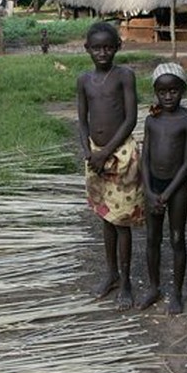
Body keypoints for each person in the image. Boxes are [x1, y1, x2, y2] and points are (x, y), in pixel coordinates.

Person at [76, 22, 144, 310]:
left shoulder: (124, 76)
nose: (102, 52)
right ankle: (111, 274)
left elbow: (130, 118)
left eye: (108, 46)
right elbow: (82, 120)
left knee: (122, 222)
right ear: (87, 49)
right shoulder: (83, 80)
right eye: (96, 47)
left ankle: (126, 280)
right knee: (105, 217)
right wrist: (89, 153)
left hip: (121, 155)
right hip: (95, 156)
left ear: (118, 47)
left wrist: (107, 152)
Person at [139, 63, 187, 314]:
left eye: (174, 91)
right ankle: (154, 287)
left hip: (177, 188)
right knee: (152, 238)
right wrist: (150, 191)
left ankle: (176, 292)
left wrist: (168, 192)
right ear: (155, 92)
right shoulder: (152, 120)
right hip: (153, 185)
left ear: (183, 90)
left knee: (176, 238)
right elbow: (144, 158)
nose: (168, 96)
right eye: (162, 92)